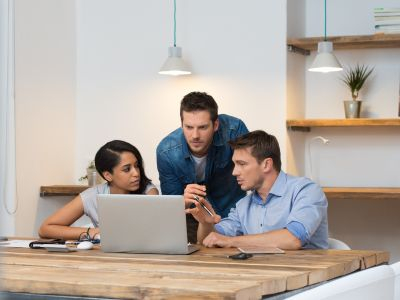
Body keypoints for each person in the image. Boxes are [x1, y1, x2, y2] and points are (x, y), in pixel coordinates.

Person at [188, 130, 328, 249]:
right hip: (264, 275)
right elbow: (210, 240)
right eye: (234, 164)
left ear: (266, 164)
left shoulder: (306, 191)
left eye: (242, 164)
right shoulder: (243, 205)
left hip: (311, 278)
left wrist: (231, 241)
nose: (234, 172)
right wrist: (206, 223)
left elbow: (293, 239)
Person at [156, 91, 249, 242]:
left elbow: (252, 171)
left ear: (216, 125)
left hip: (234, 215)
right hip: (195, 220)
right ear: (181, 124)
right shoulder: (166, 152)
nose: (195, 136)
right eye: (189, 127)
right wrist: (183, 200)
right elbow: (171, 208)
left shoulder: (234, 130)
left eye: (203, 127)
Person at [39, 140, 158, 240]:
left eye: (136, 166)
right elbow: (45, 228)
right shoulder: (93, 195)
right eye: (127, 169)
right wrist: (92, 232)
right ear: (108, 175)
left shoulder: (148, 191)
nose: (136, 173)